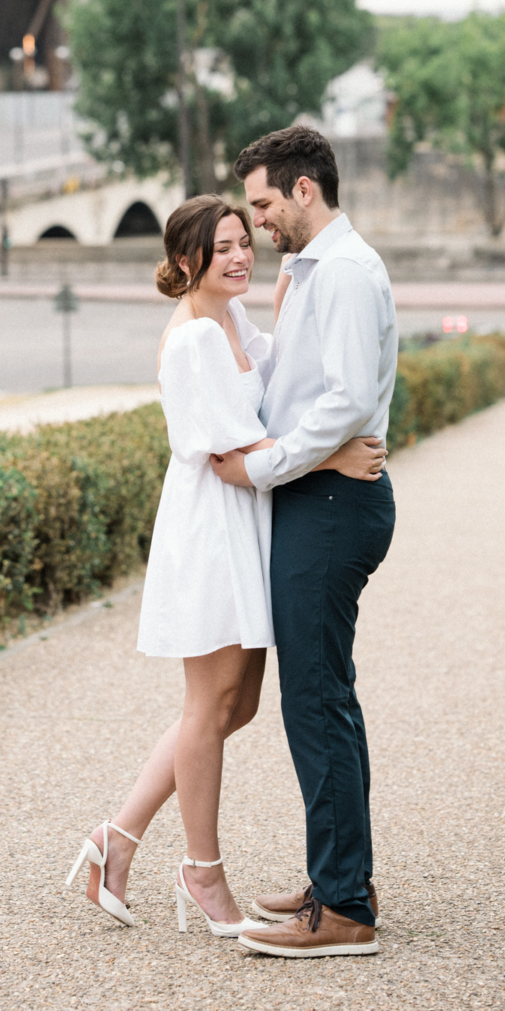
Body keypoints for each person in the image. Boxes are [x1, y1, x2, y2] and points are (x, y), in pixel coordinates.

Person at [66, 193, 385, 938]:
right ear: (187, 262)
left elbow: (279, 389)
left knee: (233, 707)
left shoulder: (231, 320)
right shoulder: (191, 344)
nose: (242, 255)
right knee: (209, 709)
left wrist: (285, 293)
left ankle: (117, 836)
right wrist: (337, 452)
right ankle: (201, 871)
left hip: (247, 523)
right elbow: (233, 455)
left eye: (247, 241)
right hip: (212, 528)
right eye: (224, 247)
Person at [212, 125, 398, 959]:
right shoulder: (314, 272)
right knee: (326, 701)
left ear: (303, 191)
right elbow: (306, 388)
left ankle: (345, 910)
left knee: (316, 704)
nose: (257, 223)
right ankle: (339, 880)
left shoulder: (347, 273)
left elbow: (348, 399)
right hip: (323, 491)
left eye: (262, 204)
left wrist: (266, 466)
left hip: (328, 502)